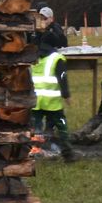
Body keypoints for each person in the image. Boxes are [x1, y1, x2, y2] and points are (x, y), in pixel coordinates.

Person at [30, 33, 76, 162]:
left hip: (36, 100)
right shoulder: (57, 58)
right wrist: (66, 95)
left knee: (36, 128)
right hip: (52, 102)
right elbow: (62, 78)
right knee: (62, 127)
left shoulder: (33, 57)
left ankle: (35, 151)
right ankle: (68, 154)